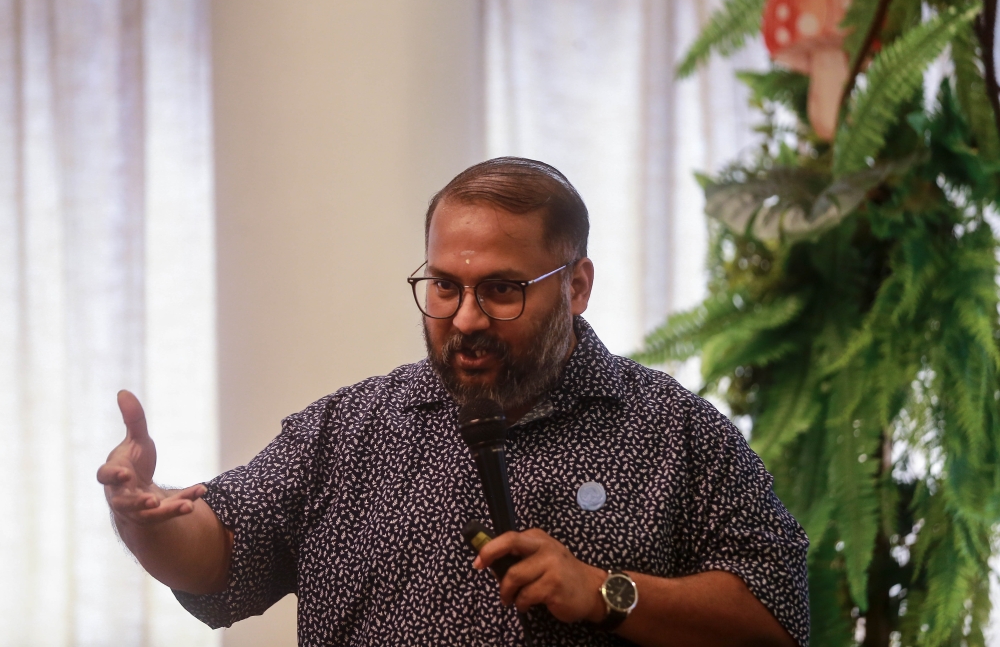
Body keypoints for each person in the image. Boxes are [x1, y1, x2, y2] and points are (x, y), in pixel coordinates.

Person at [98, 157, 810, 646]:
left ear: (577, 285)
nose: (466, 316)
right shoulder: (347, 431)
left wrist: (603, 592)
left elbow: (774, 617)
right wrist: (143, 516)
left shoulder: (674, 432)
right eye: (444, 286)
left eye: (502, 289)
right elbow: (221, 552)